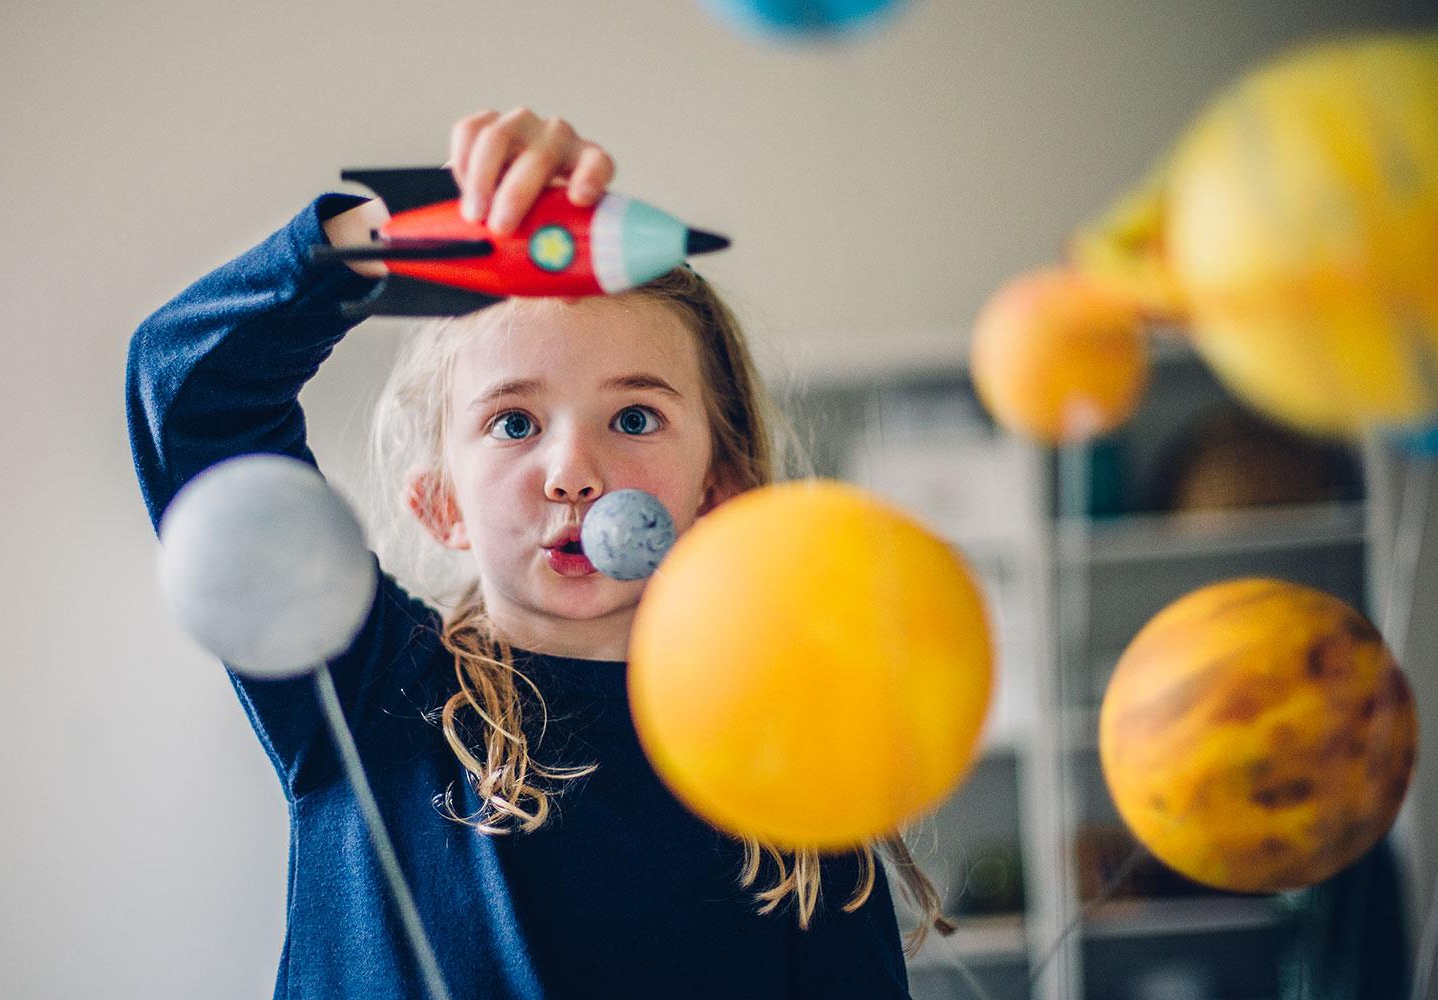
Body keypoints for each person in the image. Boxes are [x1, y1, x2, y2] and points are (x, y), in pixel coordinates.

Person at [127, 109, 944, 999]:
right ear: (443, 504)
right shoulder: (372, 690)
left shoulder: (797, 777)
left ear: (718, 490)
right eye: (514, 423)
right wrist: (398, 235)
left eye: (635, 417)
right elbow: (188, 395)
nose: (573, 473)